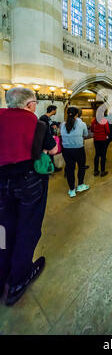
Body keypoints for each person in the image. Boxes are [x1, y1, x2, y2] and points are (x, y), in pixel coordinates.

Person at [0, 87, 57, 306]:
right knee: (28, 227)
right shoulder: (37, 123)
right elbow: (52, 151)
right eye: (35, 102)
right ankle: (18, 279)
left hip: (1, 180)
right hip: (27, 181)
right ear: (29, 104)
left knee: (3, 228)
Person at [61, 107, 90, 197]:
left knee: (70, 169)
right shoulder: (82, 124)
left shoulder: (62, 124)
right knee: (81, 167)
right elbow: (85, 134)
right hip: (78, 149)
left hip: (66, 149)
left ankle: (72, 190)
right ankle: (80, 185)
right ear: (77, 114)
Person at [39, 105, 61, 172]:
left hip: (49, 139)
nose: (56, 111)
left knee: (50, 155)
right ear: (53, 110)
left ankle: (52, 167)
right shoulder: (43, 118)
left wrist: (55, 125)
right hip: (45, 139)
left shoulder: (48, 118)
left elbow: (51, 124)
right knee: (46, 155)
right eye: (55, 110)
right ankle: (47, 168)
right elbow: (44, 129)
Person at [91, 109, 110, 177]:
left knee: (97, 154)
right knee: (103, 155)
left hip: (96, 139)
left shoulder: (94, 121)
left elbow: (92, 130)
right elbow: (107, 131)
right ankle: (102, 171)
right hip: (103, 139)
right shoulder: (104, 121)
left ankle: (96, 171)